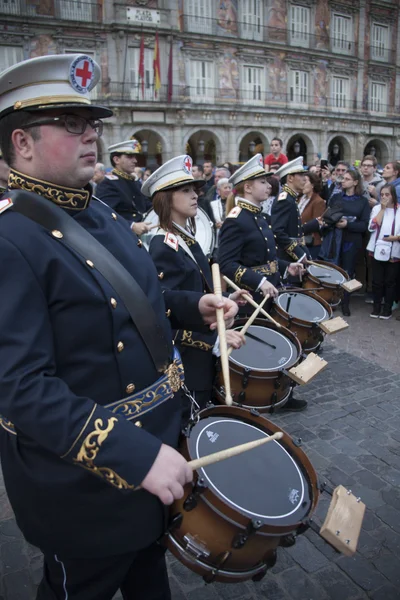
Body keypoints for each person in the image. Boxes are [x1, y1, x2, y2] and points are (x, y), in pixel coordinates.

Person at [0, 53, 238, 600]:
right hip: (88, 482)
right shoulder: (12, 240)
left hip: (155, 452)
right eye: (70, 124)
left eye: (92, 123)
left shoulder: (99, 213)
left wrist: (188, 305)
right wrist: (134, 456)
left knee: (149, 584)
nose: (92, 135)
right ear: (22, 143)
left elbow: (129, 299)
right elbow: (18, 387)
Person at [144, 156, 246, 417]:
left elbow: (194, 292)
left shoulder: (186, 239)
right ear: (165, 198)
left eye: (195, 190)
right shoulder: (163, 245)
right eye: (185, 190)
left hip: (200, 357)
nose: (195, 196)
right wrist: (213, 339)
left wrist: (223, 300)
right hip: (187, 360)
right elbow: (164, 311)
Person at [218, 154, 307, 411]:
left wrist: (284, 266)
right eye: (263, 182)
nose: (269, 186)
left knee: (276, 343)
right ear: (247, 186)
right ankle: (251, 396)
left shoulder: (259, 216)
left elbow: (267, 256)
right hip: (250, 298)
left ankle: (279, 394)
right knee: (254, 350)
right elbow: (227, 264)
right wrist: (258, 283)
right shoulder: (237, 220)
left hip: (269, 292)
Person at [323, 168, 370, 316]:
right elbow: (327, 216)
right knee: (333, 269)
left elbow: (364, 225)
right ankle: (331, 300)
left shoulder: (362, 201)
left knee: (349, 271)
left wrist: (348, 224)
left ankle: (346, 302)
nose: (343, 181)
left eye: (347, 179)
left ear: (355, 182)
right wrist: (334, 222)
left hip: (352, 240)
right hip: (334, 239)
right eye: (343, 179)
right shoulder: (336, 198)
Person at [95, 139, 152, 237]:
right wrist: (131, 226)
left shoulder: (134, 181)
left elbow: (146, 205)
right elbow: (105, 215)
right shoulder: (108, 184)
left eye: (134, 157)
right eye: (130, 157)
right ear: (116, 160)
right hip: (123, 236)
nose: (135, 161)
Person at [271, 157, 323, 262]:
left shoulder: (291, 198)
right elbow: (278, 232)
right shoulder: (285, 199)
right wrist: (298, 254)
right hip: (287, 257)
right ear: (290, 178)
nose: (305, 178)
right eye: (301, 175)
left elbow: (294, 230)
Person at [366, 184, 400, 319]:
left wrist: (395, 238)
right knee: (377, 281)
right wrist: (382, 209)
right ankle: (376, 307)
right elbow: (372, 226)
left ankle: (387, 309)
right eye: (382, 195)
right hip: (377, 249)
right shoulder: (376, 208)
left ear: (393, 196)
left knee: (390, 281)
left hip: (394, 250)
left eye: (387, 194)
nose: (384, 197)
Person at [298, 172, 326, 259]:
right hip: (299, 241)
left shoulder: (318, 201)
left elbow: (317, 223)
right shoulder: (300, 198)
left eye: (305, 181)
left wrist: (300, 229)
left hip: (311, 242)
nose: (302, 184)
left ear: (312, 185)